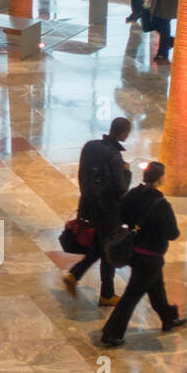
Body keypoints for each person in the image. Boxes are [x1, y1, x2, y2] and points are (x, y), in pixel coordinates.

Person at [100, 162, 186, 347]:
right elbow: (173, 233)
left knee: (156, 288)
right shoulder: (161, 204)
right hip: (151, 257)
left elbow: (121, 216)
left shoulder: (133, 195)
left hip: (134, 253)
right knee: (131, 297)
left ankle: (169, 317)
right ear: (161, 179)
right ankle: (111, 333)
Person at [63, 116, 133, 306]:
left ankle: (75, 275)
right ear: (124, 134)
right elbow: (121, 189)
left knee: (99, 247)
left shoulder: (90, 146)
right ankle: (107, 294)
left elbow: (82, 174)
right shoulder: (115, 157)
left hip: (88, 205)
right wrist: (127, 172)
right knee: (109, 248)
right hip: (108, 212)